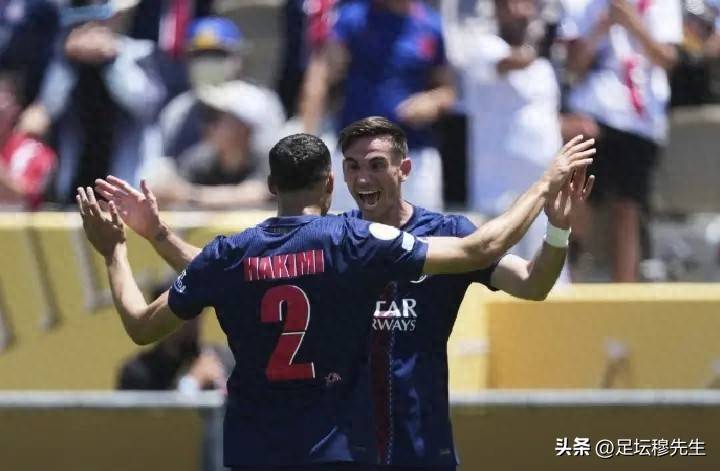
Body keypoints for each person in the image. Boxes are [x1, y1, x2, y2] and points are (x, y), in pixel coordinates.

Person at [81, 132, 593, 469]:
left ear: (271, 185)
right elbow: (480, 248)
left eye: (376, 164)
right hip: (336, 451)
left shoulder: (232, 254)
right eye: (353, 167)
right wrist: (544, 184)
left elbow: (151, 318)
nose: (364, 178)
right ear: (332, 182)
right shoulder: (350, 243)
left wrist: (117, 250)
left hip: (263, 452)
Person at [559, 0, 682, 281]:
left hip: (641, 119)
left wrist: (631, 21)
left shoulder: (661, 5)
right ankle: (568, 273)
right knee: (576, 193)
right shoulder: (578, 5)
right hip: (593, 110)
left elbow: (667, 58)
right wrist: (601, 27)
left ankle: (624, 289)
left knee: (628, 208)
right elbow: (574, 66)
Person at [300, 0, 455, 211]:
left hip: (414, 158)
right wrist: (307, 147)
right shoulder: (352, 19)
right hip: (356, 156)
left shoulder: (431, 25)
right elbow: (321, 78)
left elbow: (447, 90)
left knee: (420, 231)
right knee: (348, 228)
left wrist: (431, 103)